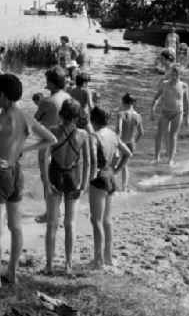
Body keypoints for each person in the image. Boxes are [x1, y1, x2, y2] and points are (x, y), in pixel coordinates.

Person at [0, 74, 56, 287]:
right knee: (15, 226)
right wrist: (25, 148)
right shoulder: (27, 118)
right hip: (16, 172)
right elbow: (51, 139)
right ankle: (12, 272)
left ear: (3, 95)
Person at [42, 99, 89, 275]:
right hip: (73, 177)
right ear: (77, 117)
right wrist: (83, 185)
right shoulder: (83, 134)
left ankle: (49, 266)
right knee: (70, 223)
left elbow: (45, 158)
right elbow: (89, 163)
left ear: (61, 114)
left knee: (52, 224)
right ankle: (68, 264)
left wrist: (47, 182)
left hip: (55, 175)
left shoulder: (52, 131)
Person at [88, 106, 132, 269]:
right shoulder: (113, 134)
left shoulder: (94, 136)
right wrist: (117, 170)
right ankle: (108, 257)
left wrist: (88, 178)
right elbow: (128, 153)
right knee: (107, 220)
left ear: (93, 120)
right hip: (111, 176)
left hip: (99, 178)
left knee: (96, 220)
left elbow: (92, 161)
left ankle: (98, 260)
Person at [34, 67, 71, 223]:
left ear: (52, 83)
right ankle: (58, 212)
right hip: (65, 142)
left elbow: (34, 121)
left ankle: (50, 212)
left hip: (47, 144)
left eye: (47, 79)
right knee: (59, 177)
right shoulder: (68, 96)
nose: (46, 82)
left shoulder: (47, 102)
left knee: (46, 179)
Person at [150, 64, 189, 165]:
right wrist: (152, 110)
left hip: (177, 113)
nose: (174, 75)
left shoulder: (184, 85)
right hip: (165, 112)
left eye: (176, 73)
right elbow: (156, 97)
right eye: (172, 73)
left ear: (180, 74)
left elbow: (187, 102)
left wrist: (187, 117)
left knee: (173, 135)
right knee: (159, 134)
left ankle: (170, 159)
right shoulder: (164, 84)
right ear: (170, 73)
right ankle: (156, 157)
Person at [116, 93, 143, 191]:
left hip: (121, 143)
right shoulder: (138, 116)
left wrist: (116, 141)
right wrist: (135, 142)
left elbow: (119, 130)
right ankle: (124, 187)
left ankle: (112, 186)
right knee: (124, 166)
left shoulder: (121, 114)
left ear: (123, 102)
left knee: (114, 164)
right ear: (133, 103)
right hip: (131, 144)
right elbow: (141, 133)